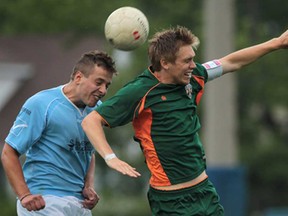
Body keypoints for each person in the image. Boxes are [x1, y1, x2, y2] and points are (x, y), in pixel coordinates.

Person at [81, 26, 288, 215]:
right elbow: (91, 121)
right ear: (165, 63)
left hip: (204, 191)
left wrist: (276, 43)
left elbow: (231, 62)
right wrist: (111, 158)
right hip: (171, 202)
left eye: (193, 58)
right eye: (186, 61)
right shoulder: (140, 91)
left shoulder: (194, 76)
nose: (193, 65)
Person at [1, 50, 117, 215]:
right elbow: (8, 152)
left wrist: (89, 185)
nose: (103, 90)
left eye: (107, 85)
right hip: (44, 201)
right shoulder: (42, 103)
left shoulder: (97, 110)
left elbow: (88, 150)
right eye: (99, 82)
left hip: (79, 204)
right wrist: (24, 195)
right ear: (78, 78)